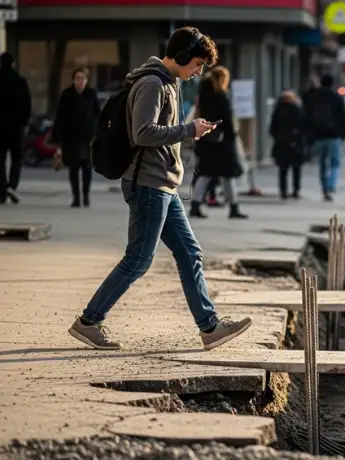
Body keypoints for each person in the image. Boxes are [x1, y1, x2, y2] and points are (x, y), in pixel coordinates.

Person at [67, 26, 252, 351]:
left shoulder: (169, 82)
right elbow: (143, 133)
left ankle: (209, 328)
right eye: (197, 64)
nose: (198, 72)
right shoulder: (153, 84)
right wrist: (187, 130)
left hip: (163, 183)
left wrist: (188, 132)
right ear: (181, 56)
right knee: (138, 259)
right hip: (148, 184)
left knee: (189, 252)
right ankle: (88, 322)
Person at [189, 65, 247, 219]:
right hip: (223, 142)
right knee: (229, 176)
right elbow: (227, 120)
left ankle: (195, 205)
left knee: (205, 174)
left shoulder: (203, 95)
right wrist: (233, 133)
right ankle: (234, 207)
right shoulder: (221, 96)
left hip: (206, 140)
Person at [51, 67, 101, 207]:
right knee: (73, 169)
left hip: (87, 137)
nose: (80, 81)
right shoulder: (67, 94)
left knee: (87, 168)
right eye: (77, 78)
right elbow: (60, 116)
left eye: (82, 78)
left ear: (86, 80)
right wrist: (57, 138)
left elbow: (98, 114)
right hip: (71, 137)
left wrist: (98, 131)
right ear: (73, 80)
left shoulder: (91, 93)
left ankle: (86, 196)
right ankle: (76, 197)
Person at [306, 74, 345, 202]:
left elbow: (307, 117)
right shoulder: (337, 98)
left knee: (322, 164)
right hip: (333, 135)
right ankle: (331, 184)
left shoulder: (313, 97)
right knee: (335, 162)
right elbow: (343, 117)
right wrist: (343, 134)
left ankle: (324, 187)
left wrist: (309, 136)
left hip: (318, 136)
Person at [0, 52, 32, 204]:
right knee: (17, 158)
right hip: (16, 127)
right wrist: (24, 122)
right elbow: (27, 105)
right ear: (13, 64)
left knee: (0, 160)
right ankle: (12, 185)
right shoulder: (20, 81)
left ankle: (2, 190)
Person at [270, 90, 306, 200]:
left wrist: (277, 137)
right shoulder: (297, 109)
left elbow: (272, 128)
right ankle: (296, 190)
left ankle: (283, 190)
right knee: (296, 169)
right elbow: (303, 126)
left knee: (283, 169)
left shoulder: (277, 110)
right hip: (295, 143)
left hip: (281, 143)